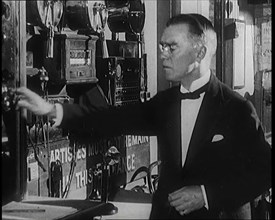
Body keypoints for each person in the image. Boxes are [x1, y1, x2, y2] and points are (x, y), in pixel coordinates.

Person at [16, 13, 271, 219]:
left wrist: (206, 194)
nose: (162, 54)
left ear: (200, 53)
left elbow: (264, 172)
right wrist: (52, 109)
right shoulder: (165, 104)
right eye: (161, 46)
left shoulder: (237, 109)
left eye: (172, 47)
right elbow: (113, 118)